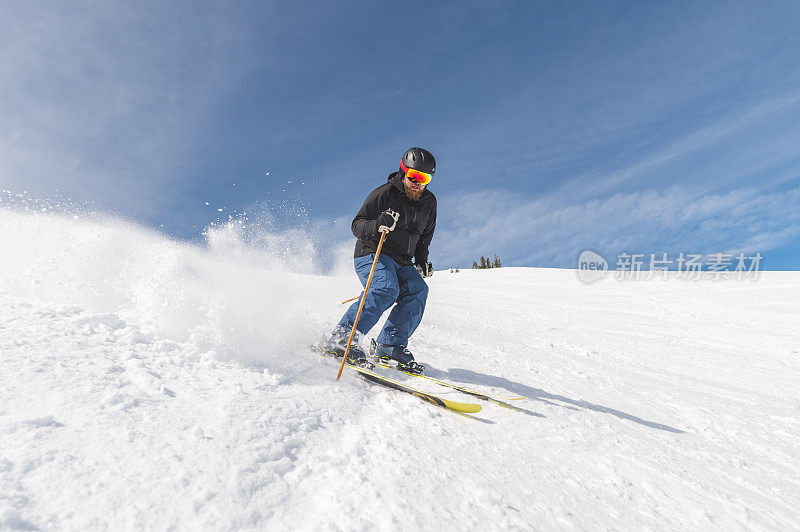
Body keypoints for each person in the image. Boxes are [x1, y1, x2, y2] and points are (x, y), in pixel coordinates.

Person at [326, 147, 436, 370]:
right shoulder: (384, 193)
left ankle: (390, 344)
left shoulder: (429, 202)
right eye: (414, 176)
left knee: (418, 291)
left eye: (424, 178)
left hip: (402, 260)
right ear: (403, 171)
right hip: (372, 251)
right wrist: (377, 225)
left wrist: (422, 259)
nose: (418, 183)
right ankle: (342, 338)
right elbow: (356, 225)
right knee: (386, 289)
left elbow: (424, 237)